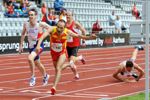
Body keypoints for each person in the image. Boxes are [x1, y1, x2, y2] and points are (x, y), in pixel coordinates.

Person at [36, 19, 96, 95]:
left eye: (61, 28)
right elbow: (42, 37)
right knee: (58, 68)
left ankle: (54, 87)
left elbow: (78, 36)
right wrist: (38, 46)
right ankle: (69, 64)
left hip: (62, 53)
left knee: (58, 69)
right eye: (58, 27)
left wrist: (90, 37)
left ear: (64, 28)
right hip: (53, 53)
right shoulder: (52, 29)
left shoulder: (67, 32)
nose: (59, 29)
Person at [19, 8, 50, 86]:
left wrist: (44, 36)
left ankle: (33, 77)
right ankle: (46, 76)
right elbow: (23, 34)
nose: (30, 16)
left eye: (32, 15)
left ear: (36, 16)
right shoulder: (26, 24)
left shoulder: (40, 24)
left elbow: (51, 29)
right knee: (37, 63)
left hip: (38, 45)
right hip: (31, 46)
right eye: (29, 15)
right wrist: (21, 45)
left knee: (30, 58)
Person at [66, 11, 88, 79]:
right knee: (71, 63)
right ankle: (76, 74)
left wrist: (84, 41)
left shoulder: (75, 23)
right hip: (67, 45)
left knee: (71, 61)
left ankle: (80, 58)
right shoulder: (64, 24)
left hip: (75, 45)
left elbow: (84, 31)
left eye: (69, 15)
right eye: (67, 15)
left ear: (72, 16)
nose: (68, 16)